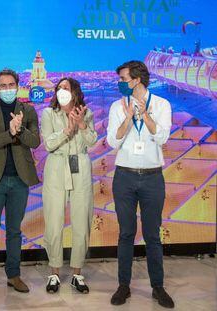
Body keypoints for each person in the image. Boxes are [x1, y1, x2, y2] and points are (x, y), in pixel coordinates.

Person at [107, 61, 174, 308]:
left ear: (137, 79)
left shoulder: (161, 105)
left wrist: (144, 115)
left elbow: (162, 137)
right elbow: (112, 142)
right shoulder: (117, 106)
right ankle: (123, 285)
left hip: (152, 177)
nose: (120, 83)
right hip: (124, 176)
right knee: (125, 233)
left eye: (123, 78)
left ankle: (158, 286)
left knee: (152, 235)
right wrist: (126, 119)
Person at [0, 69, 40, 295]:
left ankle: (14, 275)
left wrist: (19, 130)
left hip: (20, 180)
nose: (8, 89)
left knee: (14, 231)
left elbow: (35, 142)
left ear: (18, 86)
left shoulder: (28, 111)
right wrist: (9, 133)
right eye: (3, 85)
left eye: (12, 84)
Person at [41, 77, 97, 293]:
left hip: (80, 165)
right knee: (54, 219)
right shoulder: (48, 113)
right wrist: (67, 130)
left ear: (75, 91)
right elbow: (48, 144)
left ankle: (77, 274)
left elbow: (92, 141)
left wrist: (81, 124)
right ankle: (54, 272)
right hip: (56, 166)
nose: (61, 91)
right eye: (59, 88)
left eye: (65, 87)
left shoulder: (87, 112)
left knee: (82, 219)